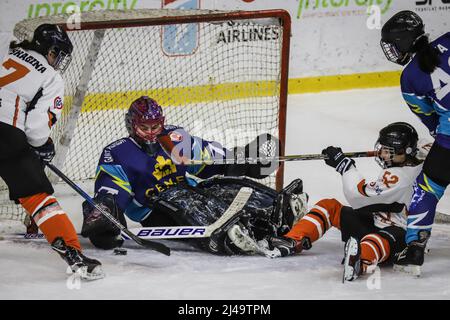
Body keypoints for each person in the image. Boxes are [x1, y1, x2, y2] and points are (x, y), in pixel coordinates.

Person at [81, 96, 309, 255]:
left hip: (190, 191)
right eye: (145, 128)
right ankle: (231, 234)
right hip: (155, 209)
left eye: (155, 126)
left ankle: (273, 208)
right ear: (132, 126)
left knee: (221, 186)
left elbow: (206, 156)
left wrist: (239, 161)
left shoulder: (172, 137)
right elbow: (111, 189)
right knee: (184, 198)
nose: (151, 134)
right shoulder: (119, 152)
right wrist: (106, 213)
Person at [0, 24, 103, 280]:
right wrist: (41, 147)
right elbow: (36, 130)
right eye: (58, 54)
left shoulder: (6, 53)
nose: (58, 61)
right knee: (39, 199)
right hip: (5, 136)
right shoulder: (50, 76)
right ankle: (73, 255)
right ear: (51, 50)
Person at [266, 122, 430, 281]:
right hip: (376, 219)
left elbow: (358, 196)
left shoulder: (400, 177)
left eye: (389, 152)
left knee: (375, 240)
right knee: (330, 207)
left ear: (405, 152)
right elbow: (428, 144)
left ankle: (360, 261)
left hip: (401, 233)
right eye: (384, 149)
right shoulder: (420, 155)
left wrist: (344, 165)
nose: (382, 154)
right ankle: (292, 240)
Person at [380, 11, 450, 275]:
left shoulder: (409, 77)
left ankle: (414, 248)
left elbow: (429, 117)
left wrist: (439, 138)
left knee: (426, 188)